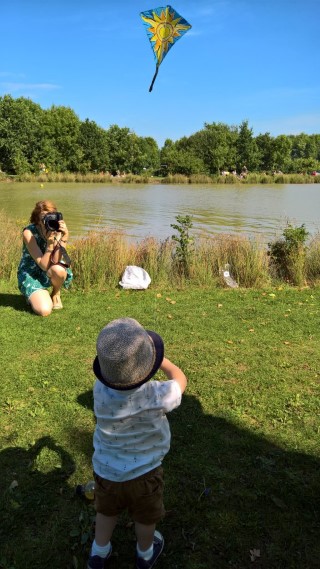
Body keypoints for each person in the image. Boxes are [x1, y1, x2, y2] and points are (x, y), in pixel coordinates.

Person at [88, 317, 187, 569]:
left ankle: (99, 552)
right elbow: (180, 380)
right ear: (147, 367)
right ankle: (145, 554)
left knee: (106, 511)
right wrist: (162, 360)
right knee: (145, 517)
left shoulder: (99, 389)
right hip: (145, 474)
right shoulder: (156, 394)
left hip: (106, 471)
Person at [17, 200, 73, 316]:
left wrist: (64, 237)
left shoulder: (56, 229)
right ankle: (36, 293)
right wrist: (49, 244)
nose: (47, 221)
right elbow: (43, 265)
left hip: (49, 270)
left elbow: (56, 261)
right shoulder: (29, 233)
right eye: (43, 218)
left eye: (50, 217)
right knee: (44, 310)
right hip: (31, 273)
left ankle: (55, 294)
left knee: (59, 270)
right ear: (37, 219)